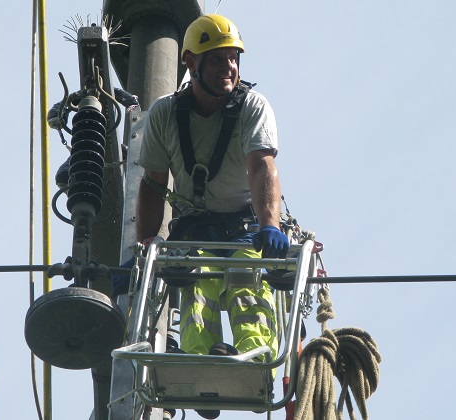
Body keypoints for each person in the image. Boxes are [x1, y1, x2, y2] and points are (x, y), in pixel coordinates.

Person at [134, 15, 289, 417]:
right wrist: (145, 245)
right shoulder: (165, 115)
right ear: (191, 63)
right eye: (217, 60)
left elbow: (262, 168)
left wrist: (270, 226)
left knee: (245, 283)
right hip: (194, 229)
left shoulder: (252, 107)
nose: (229, 68)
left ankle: (255, 357)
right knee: (197, 289)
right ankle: (199, 364)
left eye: (233, 59)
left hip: (243, 228)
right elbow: (153, 184)